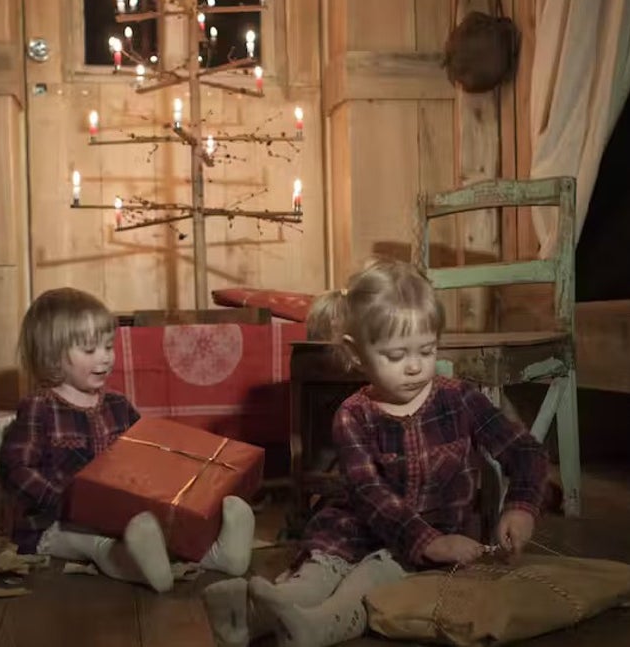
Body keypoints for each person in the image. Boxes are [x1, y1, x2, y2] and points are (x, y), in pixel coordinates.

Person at [202, 260, 548, 647]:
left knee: (371, 583)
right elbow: (371, 495)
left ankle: (313, 629)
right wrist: (429, 541)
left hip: (426, 543)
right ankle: (252, 616)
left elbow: (526, 452)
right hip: (357, 527)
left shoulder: (460, 398)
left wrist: (520, 506)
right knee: (318, 572)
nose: (415, 366)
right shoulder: (353, 415)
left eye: (427, 350)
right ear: (357, 353)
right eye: (396, 356)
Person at [0, 287, 255, 592]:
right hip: (56, 521)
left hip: (120, 515)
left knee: (155, 529)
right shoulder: (39, 408)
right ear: (52, 356)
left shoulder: (118, 405)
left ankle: (218, 554)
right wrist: (65, 498)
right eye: (90, 350)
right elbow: (16, 469)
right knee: (97, 543)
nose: (105, 359)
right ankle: (145, 568)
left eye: (108, 347)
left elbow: (148, 454)